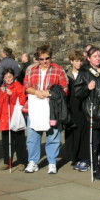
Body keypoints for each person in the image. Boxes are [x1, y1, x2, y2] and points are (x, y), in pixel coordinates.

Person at [24, 44, 68, 174]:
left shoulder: (59, 70)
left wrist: (49, 93)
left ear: (51, 57)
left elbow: (65, 89)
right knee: (33, 136)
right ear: (37, 58)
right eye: (41, 59)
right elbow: (26, 86)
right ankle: (33, 161)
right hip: (34, 107)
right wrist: (36, 91)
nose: (44, 61)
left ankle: (52, 162)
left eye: (47, 58)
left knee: (53, 135)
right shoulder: (31, 70)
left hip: (52, 108)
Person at [74, 47, 100, 180]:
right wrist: (87, 88)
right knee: (94, 143)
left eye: (99, 56)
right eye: (95, 56)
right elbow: (77, 93)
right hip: (93, 113)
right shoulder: (84, 73)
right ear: (89, 58)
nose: (98, 58)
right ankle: (95, 169)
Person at [0, 68, 28, 171]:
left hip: (15, 116)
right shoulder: (2, 87)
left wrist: (12, 95)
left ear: (13, 77)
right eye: (5, 77)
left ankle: (22, 161)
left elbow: (22, 100)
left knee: (19, 140)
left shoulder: (19, 86)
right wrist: (2, 94)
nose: (8, 79)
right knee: (6, 141)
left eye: (9, 77)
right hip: (5, 118)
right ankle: (7, 161)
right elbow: (0, 103)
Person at [64, 50, 90, 171]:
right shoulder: (66, 74)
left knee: (83, 132)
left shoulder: (85, 73)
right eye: (76, 61)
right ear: (71, 61)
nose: (79, 63)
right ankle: (74, 157)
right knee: (72, 133)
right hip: (71, 107)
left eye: (80, 61)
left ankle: (83, 158)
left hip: (83, 106)